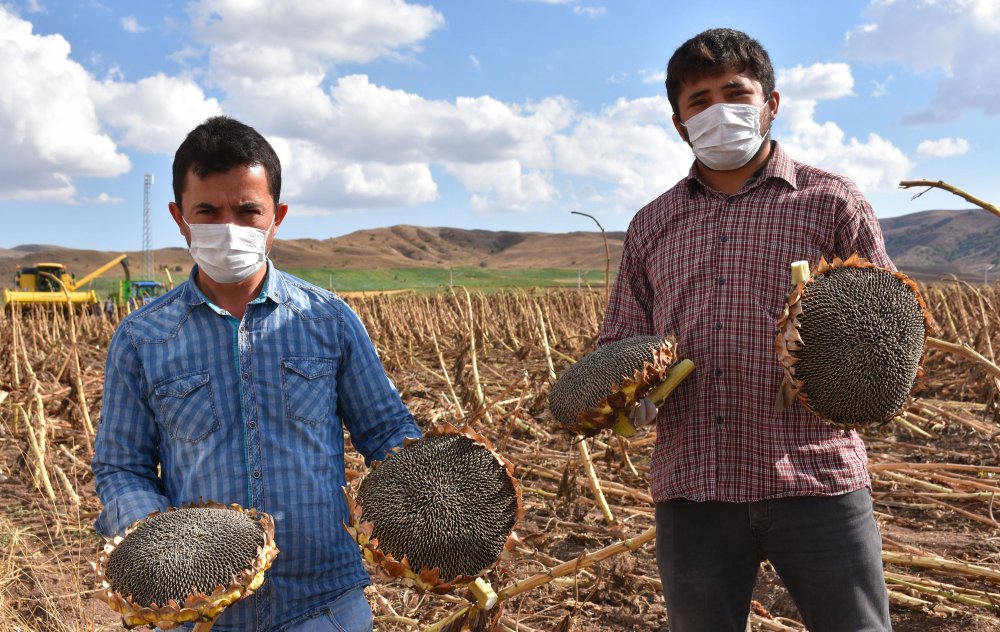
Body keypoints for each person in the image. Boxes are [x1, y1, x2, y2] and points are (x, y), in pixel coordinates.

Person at [599, 29, 893, 632]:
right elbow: (621, 340)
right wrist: (627, 396)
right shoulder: (653, 224)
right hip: (693, 484)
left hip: (816, 477)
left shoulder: (831, 202)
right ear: (680, 124)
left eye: (735, 93)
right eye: (699, 101)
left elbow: (889, 326)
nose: (719, 111)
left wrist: (833, 359)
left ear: (771, 104)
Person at [92, 116, 421, 632]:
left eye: (248, 211)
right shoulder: (141, 339)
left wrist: (431, 492)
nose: (230, 228)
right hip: (197, 613)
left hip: (324, 604)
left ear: (277, 216)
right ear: (180, 218)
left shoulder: (328, 319)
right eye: (209, 211)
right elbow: (120, 467)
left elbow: (385, 430)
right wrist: (160, 544)